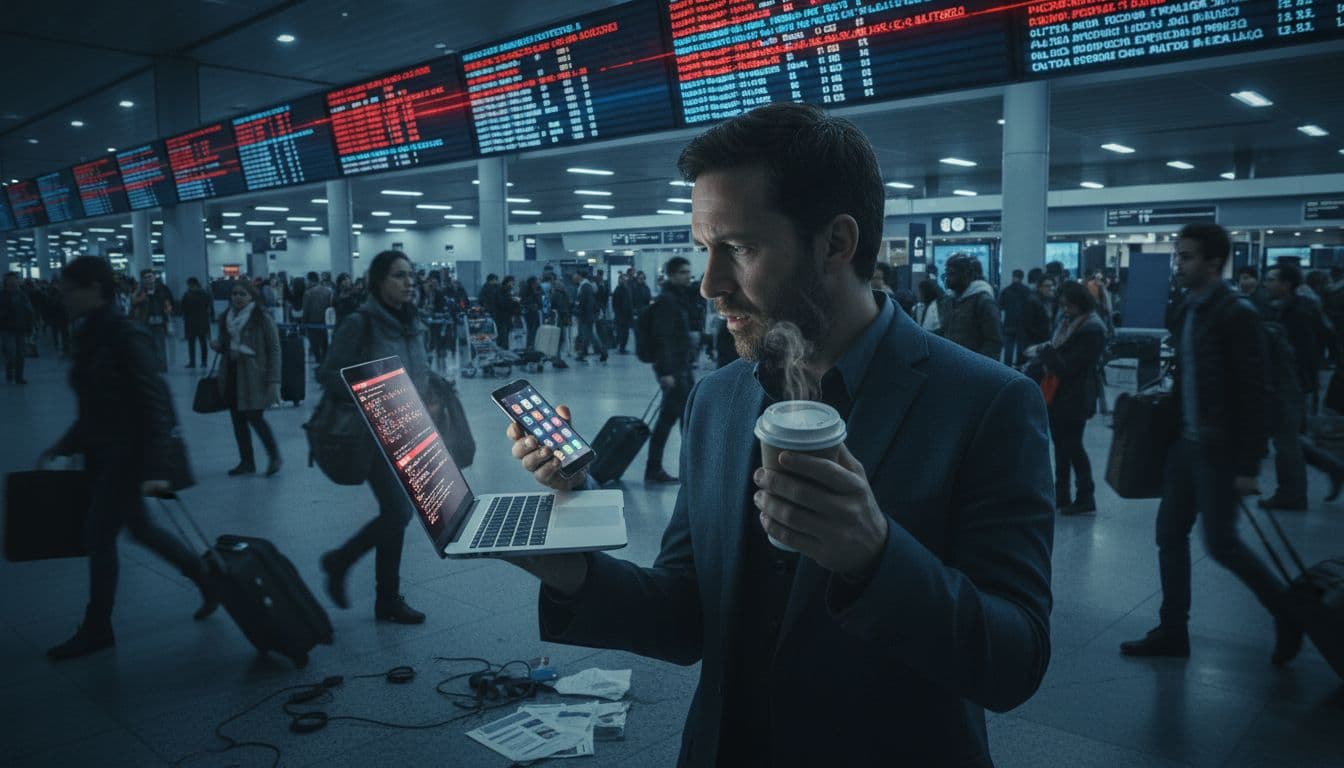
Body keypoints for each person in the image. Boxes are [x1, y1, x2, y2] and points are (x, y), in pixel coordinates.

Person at [499, 103, 1053, 766]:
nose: (709, 284)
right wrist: (575, 576)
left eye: (741, 248)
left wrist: (873, 558)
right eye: (705, 251)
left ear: (836, 243)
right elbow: (687, 614)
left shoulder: (986, 403)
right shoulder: (720, 399)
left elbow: (1015, 661)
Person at [1120, 222, 1303, 666]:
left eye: (1186, 257)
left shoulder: (1236, 313)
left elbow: (1254, 391)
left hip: (1220, 452)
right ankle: (1172, 629)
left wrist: (1248, 464)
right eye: (1178, 256)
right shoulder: (1188, 307)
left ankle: (1288, 612)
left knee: (1222, 544)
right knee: (1169, 535)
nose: (1178, 264)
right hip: (1185, 446)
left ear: (1213, 262)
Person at [40, 257, 217, 661]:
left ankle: (97, 626)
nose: (63, 298)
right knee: (141, 529)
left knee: (99, 537)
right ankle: (206, 579)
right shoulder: (90, 334)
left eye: (70, 290)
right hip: (105, 452)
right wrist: (66, 443)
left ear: (95, 289)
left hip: (127, 455)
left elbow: (155, 401)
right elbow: (94, 405)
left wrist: (157, 468)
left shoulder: (123, 334)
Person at [317, 251, 428, 625]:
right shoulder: (360, 324)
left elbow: (415, 373)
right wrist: (374, 394)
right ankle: (341, 561)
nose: (408, 282)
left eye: (411, 275)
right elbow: (330, 374)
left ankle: (387, 599)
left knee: (394, 513)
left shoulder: (411, 322)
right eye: (399, 275)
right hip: (371, 434)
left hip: (406, 430)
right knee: (398, 510)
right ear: (379, 280)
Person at [1030, 282, 1106, 515]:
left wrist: (1045, 353)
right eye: (1062, 305)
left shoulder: (1091, 329)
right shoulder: (1067, 325)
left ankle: (1086, 495)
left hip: (1076, 396)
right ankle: (1061, 495)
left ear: (1080, 304)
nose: (1065, 310)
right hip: (1059, 395)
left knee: (1073, 446)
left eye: (1068, 306)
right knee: (1061, 448)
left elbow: (1069, 367)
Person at [1259, 264, 1319, 511]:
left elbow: (1305, 352)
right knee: (1287, 439)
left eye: (1272, 280)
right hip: (1280, 383)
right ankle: (1331, 468)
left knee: (1286, 442)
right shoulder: (1278, 309)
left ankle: (1292, 494)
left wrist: (1302, 383)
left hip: (1289, 385)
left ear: (1287, 284)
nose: (1267, 283)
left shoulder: (1298, 313)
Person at [211, 280, 282, 477]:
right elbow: (227, 343)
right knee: (237, 420)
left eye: (243, 294)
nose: (238, 298)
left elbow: (274, 349)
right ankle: (246, 461)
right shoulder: (226, 317)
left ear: (252, 296)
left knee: (255, 418)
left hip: (254, 376)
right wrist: (220, 346)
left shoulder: (261, 318)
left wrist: (274, 380)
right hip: (232, 373)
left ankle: (274, 456)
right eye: (234, 294)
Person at [643, 256, 698, 485]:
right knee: (672, 421)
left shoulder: (677, 298)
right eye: (684, 272)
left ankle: (689, 467)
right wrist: (667, 372)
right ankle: (656, 469)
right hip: (674, 371)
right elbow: (662, 338)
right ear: (673, 275)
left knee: (684, 419)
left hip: (681, 368)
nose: (688, 276)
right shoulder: (667, 301)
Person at [939, 253, 1003, 360]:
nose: (948, 279)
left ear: (966, 274)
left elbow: (994, 342)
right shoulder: (950, 300)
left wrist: (977, 366)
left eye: (952, 274)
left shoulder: (983, 301)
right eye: (947, 274)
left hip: (973, 369)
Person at [130, 269, 173, 372]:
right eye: (146, 277)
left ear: (154, 278)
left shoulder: (162, 290)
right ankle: (149, 365)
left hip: (160, 322)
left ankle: (162, 366)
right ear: (142, 280)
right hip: (145, 322)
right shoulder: (139, 291)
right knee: (146, 345)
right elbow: (133, 303)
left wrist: (168, 310)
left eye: (150, 277)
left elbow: (169, 303)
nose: (148, 279)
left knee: (160, 345)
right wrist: (141, 300)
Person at [1, 271, 35, 384]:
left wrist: (30, 326)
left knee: (20, 353)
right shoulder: (2, 295)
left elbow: (29, 311)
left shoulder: (22, 294)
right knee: (12, 353)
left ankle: (19, 377)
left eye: (15, 279)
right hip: (7, 328)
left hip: (21, 328)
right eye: (11, 279)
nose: (13, 281)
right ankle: (9, 367)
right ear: (6, 281)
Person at [572, 270, 608, 363]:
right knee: (587, 335)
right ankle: (583, 353)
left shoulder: (585, 287)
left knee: (589, 335)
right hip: (586, 315)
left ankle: (602, 351)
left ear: (580, 276)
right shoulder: (584, 286)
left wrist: (580, 313)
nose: (573, 277)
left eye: (575, 275)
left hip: (586, 316)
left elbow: (586, 303)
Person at [180, 276, 214, 369]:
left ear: (191, 284)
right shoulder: (205, 294)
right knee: (203, 343)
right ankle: (204, 362)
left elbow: (182, 309)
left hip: (190, 323)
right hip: (203, 322)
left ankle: (192, 362)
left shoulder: (187, 295)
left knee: (191, 344)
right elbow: (209, 307)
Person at [999, 269, 1031, 366]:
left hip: (1009, 323)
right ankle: (1018, 368)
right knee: (1021, 348)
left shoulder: (1006, 290)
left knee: (1008, 348)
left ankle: (1007, 368)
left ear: (1013, 276)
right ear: (1022, 277)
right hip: (1022, 324)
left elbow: (1000, 306)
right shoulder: (1027, 291)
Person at [301, 270, 333, 364]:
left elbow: (306, 310)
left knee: (315, 347)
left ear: (311, 280)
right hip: (326, 324)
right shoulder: (328, 291)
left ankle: (319, 363)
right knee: (325, 345)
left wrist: (303, 324)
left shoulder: (308, 293)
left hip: (312, 324)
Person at [1022, 276, 1057, 351]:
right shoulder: (1032, 301)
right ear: (1039, 288)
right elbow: (1028, 325)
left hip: (1045, 340)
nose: (1051, 288)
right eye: (1047, 286)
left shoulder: (1050, 301)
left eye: (1052, 285)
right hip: (1036, 342)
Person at [611, 273, 634, 354]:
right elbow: (615, 304)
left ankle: (623, 347)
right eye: (623, 279)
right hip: (621, 316)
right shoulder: (618, 290)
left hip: (627, 316)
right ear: (619, 280)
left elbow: (630, 303)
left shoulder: (627, 289)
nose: (624, 281)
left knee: (626, 333)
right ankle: (621, 348)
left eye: (625, 279)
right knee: (621, 333)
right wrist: (618, 314)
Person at [521, 276, 543, 350]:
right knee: (531, 330)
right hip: (529, 313)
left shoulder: (537, 289)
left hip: (534, 312)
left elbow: (540, 300)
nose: (537, 283)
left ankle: (532, 345)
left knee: (533, 329)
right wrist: (531, 305)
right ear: (532, 283)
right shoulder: (527, 290)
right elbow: (524, 301)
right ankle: (530, 346)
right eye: (536, 281)